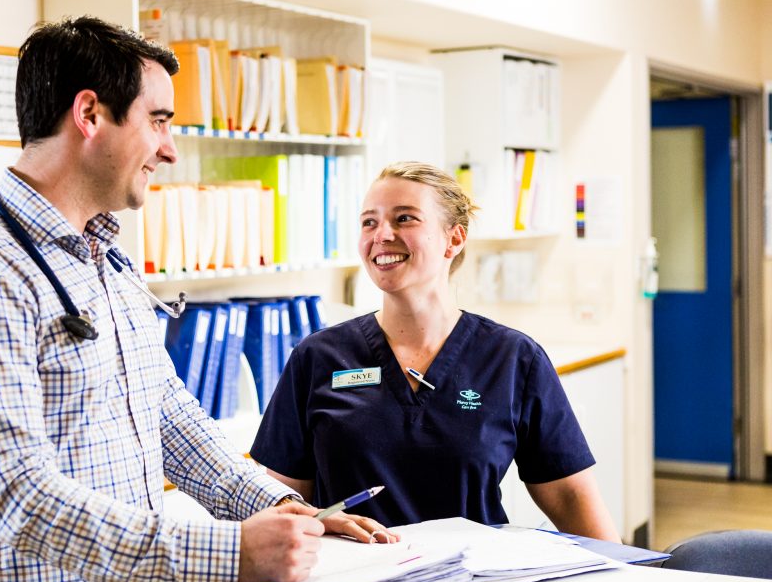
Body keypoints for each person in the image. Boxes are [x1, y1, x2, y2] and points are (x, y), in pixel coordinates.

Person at [0, 16, 392, 582]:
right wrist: (232, 552)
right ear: (90, 115)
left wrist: (279, 509)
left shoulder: (109, 259)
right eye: (158, 120)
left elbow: (165, 413)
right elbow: (18, 496)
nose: (170, 148)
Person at [251, 162, 621, 543]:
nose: (382, 235)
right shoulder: (318, 357)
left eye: (405, 219)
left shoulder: (513, 359)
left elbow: (570, 495)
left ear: (453, 239)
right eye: (369, 222)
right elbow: (283, 502)